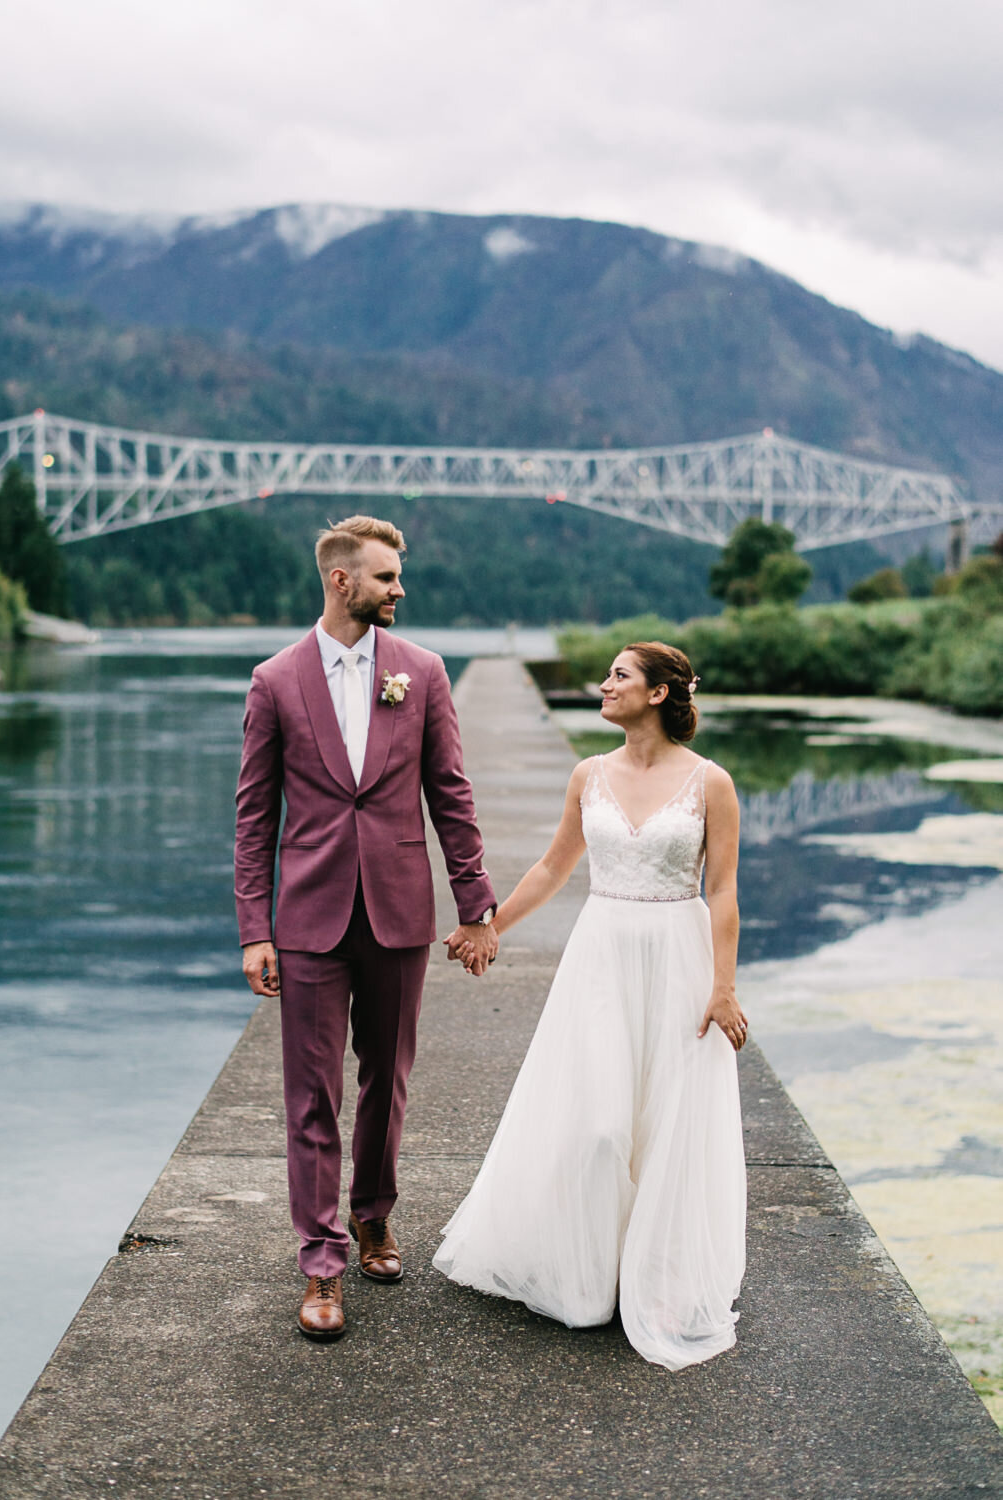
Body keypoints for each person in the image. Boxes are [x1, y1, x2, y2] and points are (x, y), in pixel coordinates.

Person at [433, 642, 748, 1371]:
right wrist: (489, 926)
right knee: (601, 1124)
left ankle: (657, 1283)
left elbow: (724, 890)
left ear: (661, 694)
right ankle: (587, 1277)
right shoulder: (589, 774)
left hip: (677, 954)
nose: (604, 685)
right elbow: (552, 865)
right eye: (607, 675)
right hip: (602, 955)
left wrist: (723, 985)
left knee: (667, 1126)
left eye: (619, 676)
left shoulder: (712, 783)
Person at [233, 514, 497, 1341]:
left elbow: (449, 792)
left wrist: (475, 901)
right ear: (342, 580)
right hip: (309, 917)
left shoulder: (421, 672)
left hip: (396, 909)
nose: (399, 588)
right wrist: (254, 927)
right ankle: (321, 1260)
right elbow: (253, 818)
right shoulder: (274, 680)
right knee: (310, 1095)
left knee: (389, 1076)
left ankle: (374, 1214)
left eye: (399, 574)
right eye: (387, 576)